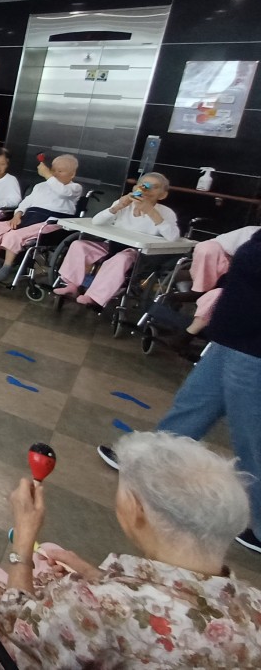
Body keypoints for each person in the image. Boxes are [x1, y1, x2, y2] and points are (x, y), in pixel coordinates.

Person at [0, 432, 260, 668]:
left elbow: (12, 624)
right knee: (50, 552)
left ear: (136, 510)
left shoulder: (101, 605)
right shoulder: (254, 605)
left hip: (24, 642)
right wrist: (99, 577)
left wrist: (23, 538)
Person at [98, 227, 261, 554]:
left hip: (253, 350)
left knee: (252, 437)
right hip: (228, 340)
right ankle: (146, 462)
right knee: (192, 406)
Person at [53, 173, 179, 306]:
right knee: (79, 245)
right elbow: (97, 222)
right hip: (112, 245)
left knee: (121, 258)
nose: (147, 189)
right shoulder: (124, 205)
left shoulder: (166, 212)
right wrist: (118, 206)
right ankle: (71, 285)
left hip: (137, 253)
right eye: (144, 185)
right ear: (136, 188)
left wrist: (151, 212)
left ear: (163, 195)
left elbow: (173, 236)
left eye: (155, 187)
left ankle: (94, 296)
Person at [0, 155, 83, 283]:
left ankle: (6, 268)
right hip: (29, 217)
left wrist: (47, 175)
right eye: (53, 170)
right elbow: (26, 202)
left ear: (72, 174)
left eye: (60, 171)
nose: (54, 174)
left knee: (14, 235)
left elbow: (62, 191)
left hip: (50, 223)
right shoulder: (41, 186)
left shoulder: (75, 188)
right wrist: (17, 214)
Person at [156, 224, 260, 353]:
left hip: (247, 295)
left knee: (218, 297)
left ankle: (186, 336)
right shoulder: (251, 235)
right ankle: (198, 290)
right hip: (233, 280)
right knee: (207, 249)